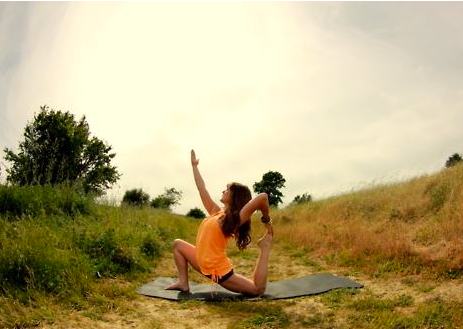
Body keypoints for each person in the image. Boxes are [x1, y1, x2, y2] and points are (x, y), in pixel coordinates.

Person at [164, 149, 273, 297]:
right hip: (202, 262)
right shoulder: (216, 211)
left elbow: (263, 197)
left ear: (235, 196)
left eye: (227, 189)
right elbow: (201, 187)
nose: (223, 190)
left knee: (256, 290)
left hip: (218, 270)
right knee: (178, 244)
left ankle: (265, 248)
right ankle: (183, 283)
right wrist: (194, 166)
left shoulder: (235, 219)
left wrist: (266, 220)